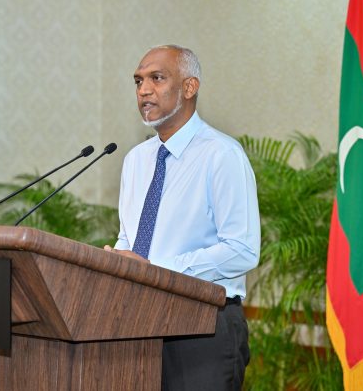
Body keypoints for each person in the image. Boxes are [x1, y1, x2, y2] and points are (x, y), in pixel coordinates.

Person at [104, 45, 261, 390]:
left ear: (190, 87)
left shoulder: (222, 155)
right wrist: (116, 262)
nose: (144, 90)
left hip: (203, 330)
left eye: (157, 78)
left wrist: (156, 271)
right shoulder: (135, 160)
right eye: (138, 81)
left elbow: (242, 250)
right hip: (138, 326)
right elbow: (130, 239)